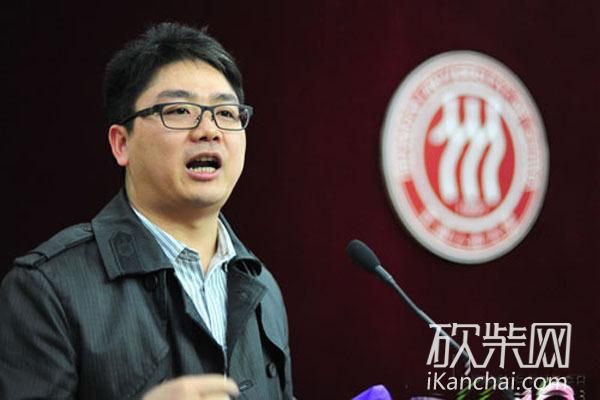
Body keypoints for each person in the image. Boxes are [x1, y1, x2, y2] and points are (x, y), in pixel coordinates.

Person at [0, 22, 293, 399]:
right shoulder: (47, 289)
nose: (209, 130)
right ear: (121, 144)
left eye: (225, 112)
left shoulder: (262, 287)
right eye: (180, 110)